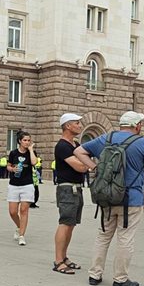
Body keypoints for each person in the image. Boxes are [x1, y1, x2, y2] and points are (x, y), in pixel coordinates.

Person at [74, 111, 144, 286]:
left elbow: (79, 151)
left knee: (103, 235)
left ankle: (94, 274)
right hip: (132, 198)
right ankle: (120, 279)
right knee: (125, 238)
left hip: (107, 196)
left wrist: (95, 167)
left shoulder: (106, 138)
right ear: (137, 126)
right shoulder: (142, 143)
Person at [52, 113, 88, 275]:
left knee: (71, 224)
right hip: (67, 188)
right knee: (65, 223)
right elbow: (80, 167)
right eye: (77, 123)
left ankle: (64, 257)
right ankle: (58, 260)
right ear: (67, 126)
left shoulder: (75, 145)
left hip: (77, 187)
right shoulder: (62, 146)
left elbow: (83, 163)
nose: (80, 126)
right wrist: (87, 163)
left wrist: (85, 163)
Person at [7, 131, 37, 246]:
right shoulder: (13, 153)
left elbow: (34, 163)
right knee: (13, 211)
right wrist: (12, 169)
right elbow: (9, 166)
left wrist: (30, 151)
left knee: (24, 210)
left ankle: (21, 235)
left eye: (29, 140)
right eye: (25, 140)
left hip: (27, 184)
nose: (27, 142)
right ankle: (19, 226)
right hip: (14, 184)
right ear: (19, 141)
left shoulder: (31, 152)